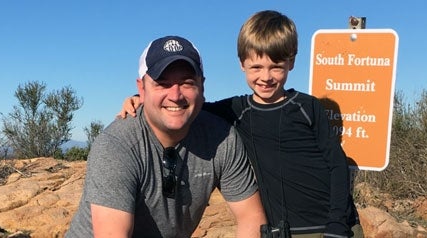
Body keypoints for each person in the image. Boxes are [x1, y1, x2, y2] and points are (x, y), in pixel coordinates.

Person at [119, 11, 363, 238]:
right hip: (278, 231)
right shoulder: (237, 110)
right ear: (241, 64)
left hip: (329, 228)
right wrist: (141, 98)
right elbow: (186, 105)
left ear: (291, 62)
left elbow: (337, 166)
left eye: (276, 67)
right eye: (256, 67)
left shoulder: (307, 108)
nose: (265, 77)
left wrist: (338, 224)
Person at [66, 35, 266, 238]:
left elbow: (251, 218)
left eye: (187, 83)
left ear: (202, 86)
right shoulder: (116, 146)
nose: (175, 95)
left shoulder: (222, 138)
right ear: (141, 89)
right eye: (162, 84)